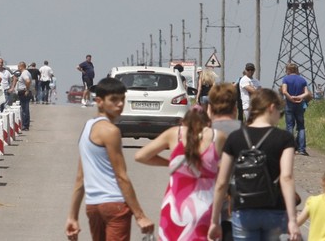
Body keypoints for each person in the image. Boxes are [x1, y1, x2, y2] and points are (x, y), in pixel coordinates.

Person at [65, 77, 154, 240]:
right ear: (99, 101)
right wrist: (140, 216)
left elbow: (80, 177)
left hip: (93, 206)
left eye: (122, 99)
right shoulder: (111, 131)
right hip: (115, 204)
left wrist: (72, 216)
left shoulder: (87, 127)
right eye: (113, 99)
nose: (120, 104)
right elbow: (121, 176)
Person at [208, 88, 301, 241]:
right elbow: (287, 177)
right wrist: (292, 220)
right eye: (280, 111)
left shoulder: (235, 138)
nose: (279, 116)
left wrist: (214, 220)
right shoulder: (284, 138)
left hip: (243, 210)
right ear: (271, 108)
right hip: (274, 209)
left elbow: (221, 182)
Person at [135, 104, 227, 240]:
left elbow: (140, 156)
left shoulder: (174, 133)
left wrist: (171, 164)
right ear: (208, 123)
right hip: (205, 207)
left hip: (174, 207)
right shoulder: (217, 136)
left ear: (183, 122)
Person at [207, 81, 241, 241]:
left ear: (211, 108)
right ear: (235, 108)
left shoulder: (202, 135)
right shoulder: (248, 133)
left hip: (206, 203)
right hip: (241, 204)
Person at [280, 63, 311, 156]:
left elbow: (284, 91)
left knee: (290, 126)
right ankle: (302, 149)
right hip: (299, 105)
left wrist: (291, 98)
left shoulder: (286, 79)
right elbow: (307, 93)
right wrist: (299, 97)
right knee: (301, 126)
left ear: (288, 70)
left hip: (289, 104)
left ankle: (289, 148)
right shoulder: (302, 80)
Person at [14, 61, 33, 131]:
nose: (18, 68)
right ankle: (25, 124)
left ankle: (25, 125)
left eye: (18, 67)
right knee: (25, 109)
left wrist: (27, 90)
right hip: (23, 92)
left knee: (25, 109)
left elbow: (27, 81)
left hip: (24, 92)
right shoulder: (26, 73)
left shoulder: (24, 73)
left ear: (21, 66)